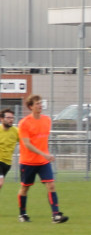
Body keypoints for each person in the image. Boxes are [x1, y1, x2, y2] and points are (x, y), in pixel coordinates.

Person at [17, 94, 67, 223]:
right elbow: (27, 144)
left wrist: (45, 154)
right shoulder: (24, 123)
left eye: (40, 103)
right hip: (28, 161)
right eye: (37, 104)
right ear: (30, 107)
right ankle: (22, 214)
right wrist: (44, 153)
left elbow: (42, 139)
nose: (40, 105)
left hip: (43, 162)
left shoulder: (47, 120)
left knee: (51, 185)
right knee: (25, 188)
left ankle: (56, 215)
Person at [0, 108, 18, 194]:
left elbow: (25, 142)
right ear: (2, 119)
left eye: (12, 118)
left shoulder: (16, 131)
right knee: (0, 183)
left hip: (7, 164)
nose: (11, 120)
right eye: (8, 117)